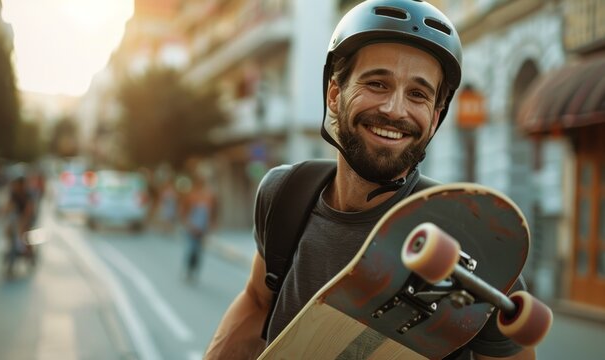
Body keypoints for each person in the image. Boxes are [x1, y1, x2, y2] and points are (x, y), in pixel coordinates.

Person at [204, 1, 536, 359]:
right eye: (377, 83)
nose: (395, 110)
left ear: (436, 116)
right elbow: (257, 300)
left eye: (418, 94)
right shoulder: (285, 193)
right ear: (335, 94)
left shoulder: (469, 239)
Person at [180, 171, 217, 284]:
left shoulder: (209, 197)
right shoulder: (191, 196)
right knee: (191, 249)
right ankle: (188, 270)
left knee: (199, 251)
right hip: (191, 228)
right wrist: (189, 224)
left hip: (202, 229)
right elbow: (184, 212)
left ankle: (195, 272)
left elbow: (212, 212)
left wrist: (211, 224)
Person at [0, 175, 36, 279]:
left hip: (27, 217)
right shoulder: (14, 194)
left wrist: (24, 221)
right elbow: (8, 205)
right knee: (9, 230)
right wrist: (1, 213)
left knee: (25, 236)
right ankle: (11, 250)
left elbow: (29, 210)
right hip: (17, 217)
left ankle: (29, 253)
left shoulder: (28, 194)